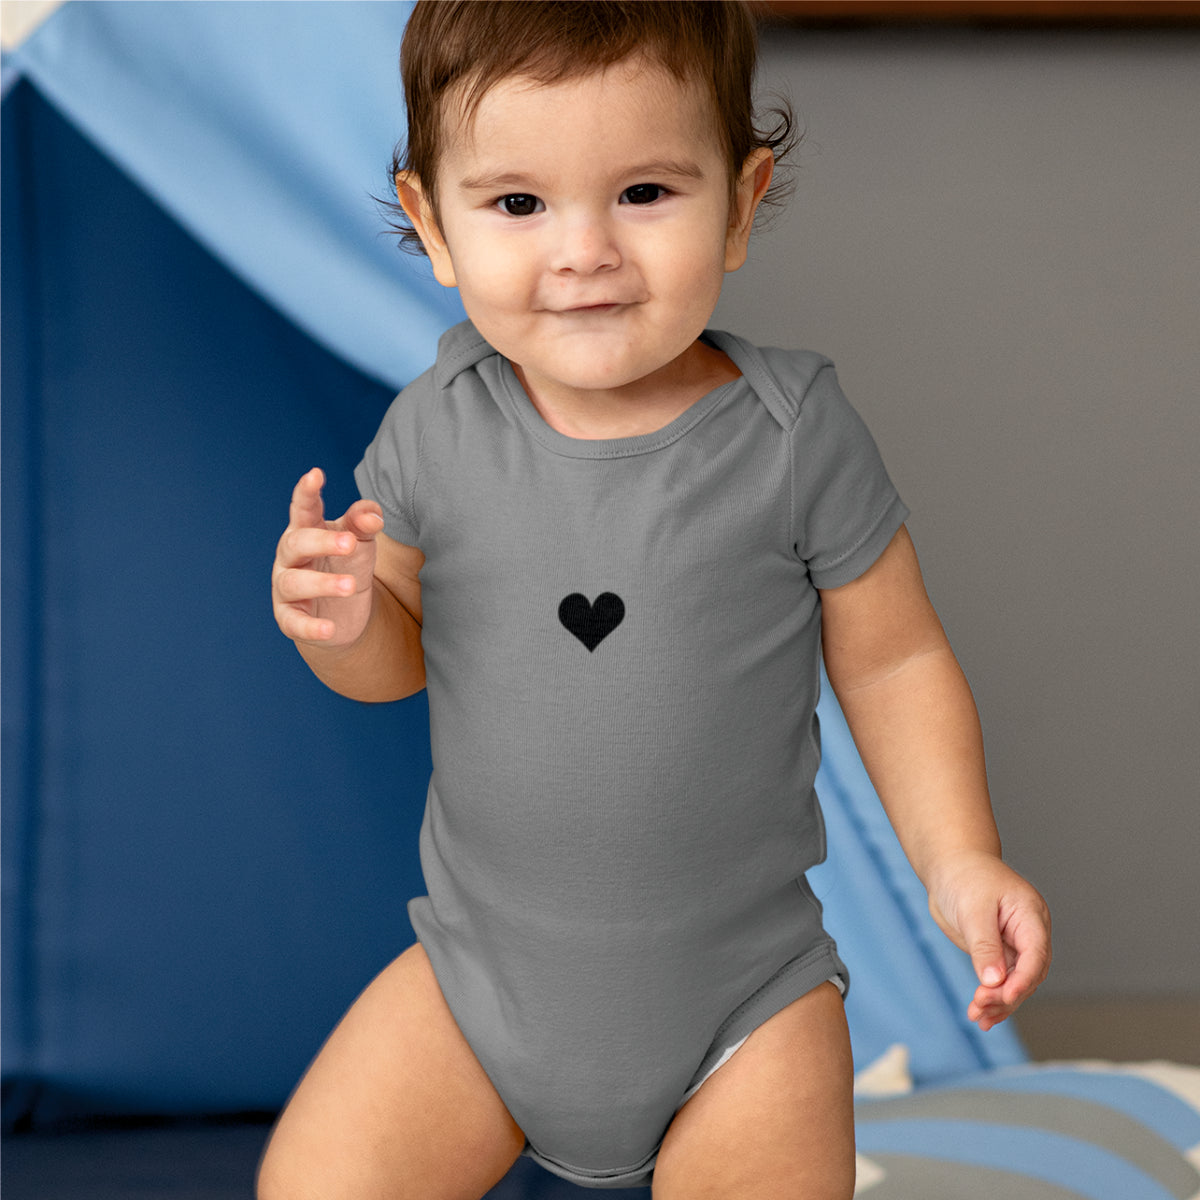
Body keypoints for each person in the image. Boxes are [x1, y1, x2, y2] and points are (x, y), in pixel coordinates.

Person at [261, 3, 1051, 1197]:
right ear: (431, 224)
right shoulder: (439, 425)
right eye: (517, 204)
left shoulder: (792, 435)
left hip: (745, 1005)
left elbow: (894, 663)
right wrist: (346, 622)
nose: (584, 251)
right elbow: (397, 661)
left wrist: (961, 860)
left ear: (740, 202)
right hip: (478, 986)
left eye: (643, 193)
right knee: (317, 1184)